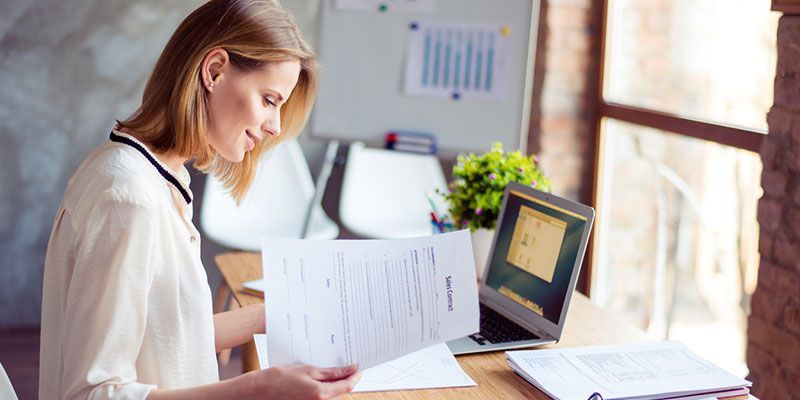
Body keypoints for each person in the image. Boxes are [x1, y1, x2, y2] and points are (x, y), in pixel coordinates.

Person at [39, 0, 361, 398]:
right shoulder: (129, 199)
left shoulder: (152, 173)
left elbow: (164, 334)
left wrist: (269, 317)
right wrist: (256, 389)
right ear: (214, 71)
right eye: (269, 100)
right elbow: (91, 393)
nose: (276, 127)